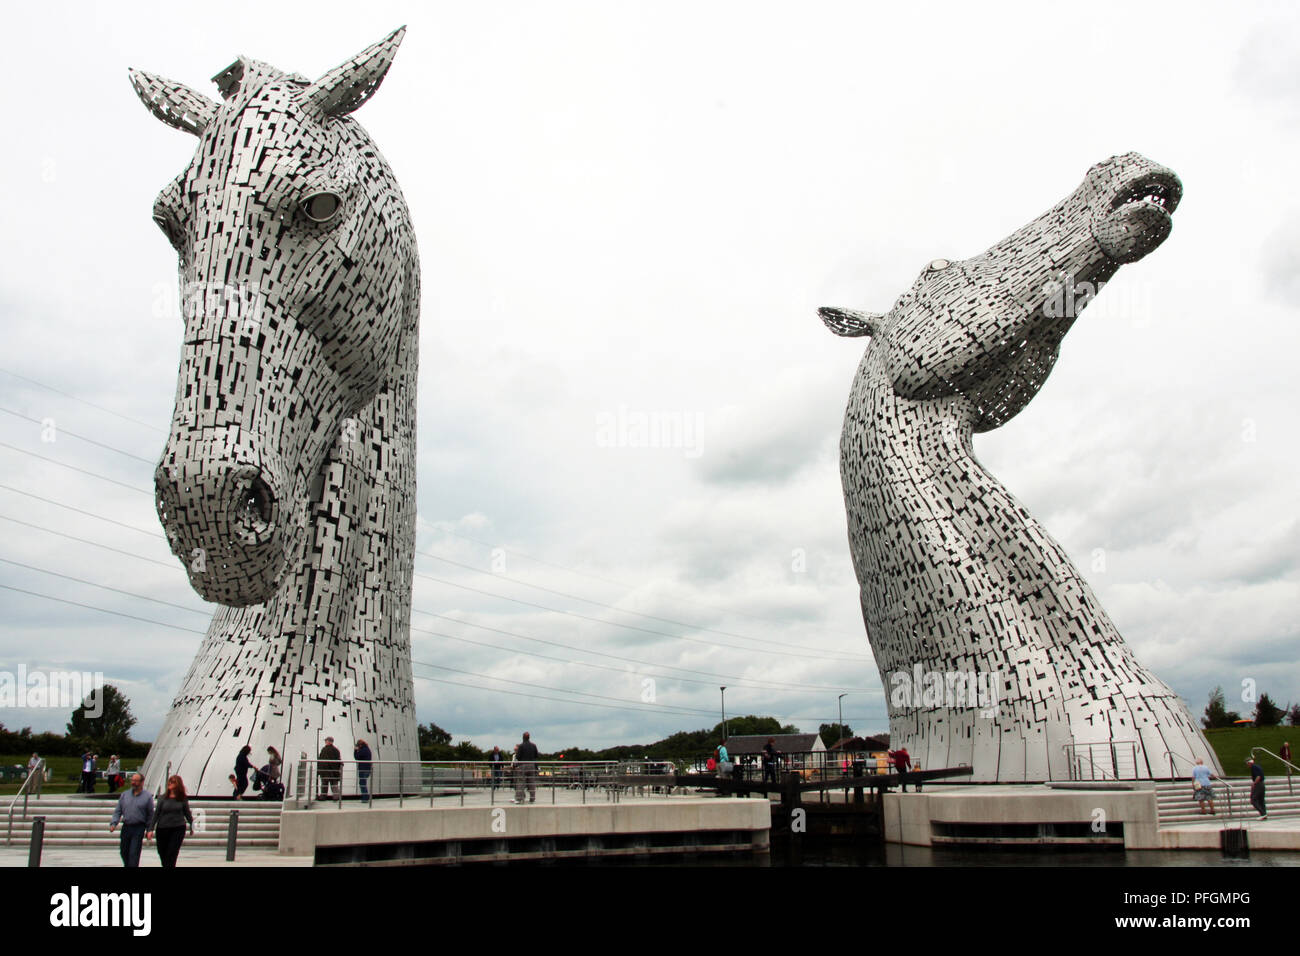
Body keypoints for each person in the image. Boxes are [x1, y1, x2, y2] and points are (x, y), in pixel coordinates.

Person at [147, 774, 194, 868]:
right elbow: (156, 814)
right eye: (169, 782)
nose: (170, 784)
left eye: (173, 782)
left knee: (172, 852)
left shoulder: (182, 798)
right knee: (162, 852)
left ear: (178, 784)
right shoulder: (162, 798)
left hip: (177, 828)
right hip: (163, 828)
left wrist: (191, 825)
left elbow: (187, 813)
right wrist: (150, 829)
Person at [108, 773, 154, 868]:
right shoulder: (125, 795)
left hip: (139, 827)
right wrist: (114, 823)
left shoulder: (147, 797)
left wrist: (149, 829)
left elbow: (150, 815)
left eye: (136, 781)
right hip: (126, 827)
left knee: (134, 852)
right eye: (132, 780)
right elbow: (118, 811)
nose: (133, 783)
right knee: (124, 851)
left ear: (142, 782)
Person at [514, 731, 539, 804]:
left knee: (520, 782)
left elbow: (518, 757)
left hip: (523, 765)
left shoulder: (521, 746)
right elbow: (536, 756)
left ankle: (519, 798)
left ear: (523, 738)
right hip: (531, 765)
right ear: (529, 737)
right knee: (531, 782)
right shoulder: (533, 745)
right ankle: (532, 798)